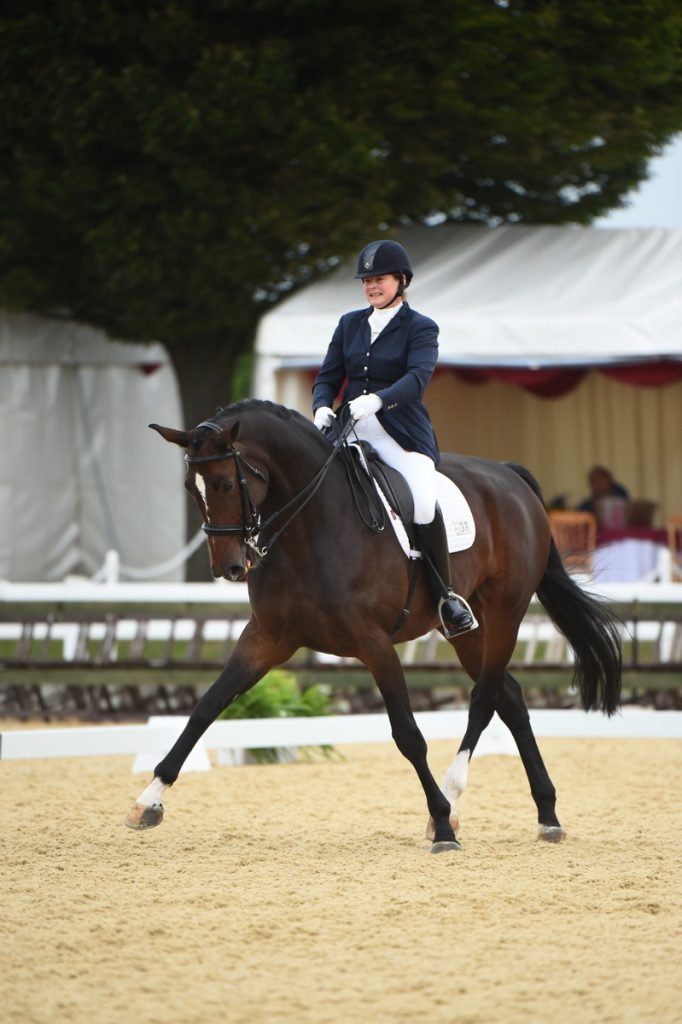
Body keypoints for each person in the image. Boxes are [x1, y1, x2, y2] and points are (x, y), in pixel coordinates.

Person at [311, 239, 477, 638]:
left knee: (421, 501)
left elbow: (417, 379)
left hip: (400, 432)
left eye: (379, 279)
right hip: (348, 429)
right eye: (366, 280)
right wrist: (320, 404)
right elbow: (329, 374)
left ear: (401, 281)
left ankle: (446, 596)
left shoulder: (420, 327)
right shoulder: (349, 323)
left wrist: (379, 400)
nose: (371, 286)